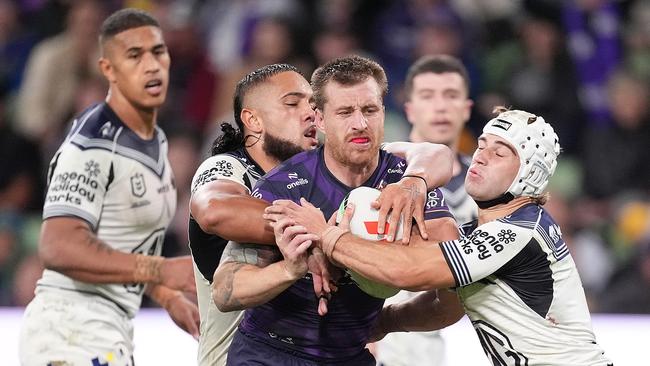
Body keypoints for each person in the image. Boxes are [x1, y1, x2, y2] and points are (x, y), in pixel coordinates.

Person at [270, 107, 613, 366]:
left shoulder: (519, 233)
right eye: (482, 144)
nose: (480, 156)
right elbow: (442, 305)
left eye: (500, 152)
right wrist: (386, 321)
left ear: (529, 173)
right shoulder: (484, 231)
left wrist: (327, 235)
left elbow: (410, 272)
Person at [190, 63, 454, 365]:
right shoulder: (281, 183)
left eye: (369, 110)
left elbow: (449, 282)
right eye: (344, 112)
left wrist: (388, 320)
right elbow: (224, 290)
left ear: (383, 111)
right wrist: (293, 264)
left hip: (349, 354)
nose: (360, 124)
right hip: (267, 355)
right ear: (322, 119)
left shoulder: (405, 181)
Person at [19, 9, 198, 366]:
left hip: (108, 330)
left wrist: (164, 295)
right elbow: (59, 246)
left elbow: (117, 242)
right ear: (108, 70)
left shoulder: (154, 141)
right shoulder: (93, 143)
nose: (150, 65)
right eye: (134, 55)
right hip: (69, 332)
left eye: (157, 51)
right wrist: (161, 271)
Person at [377, 54, 478, 366]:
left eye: (450, 96)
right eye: (427, 96)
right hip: (394, 341)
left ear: (466, 109)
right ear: (409, 109)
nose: (440, 107)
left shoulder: (489, 184)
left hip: (470, 341)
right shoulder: (379, 174)